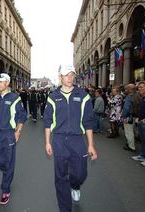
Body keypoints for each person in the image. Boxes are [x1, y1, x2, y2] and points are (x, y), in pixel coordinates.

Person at [43, 65, 97, 212]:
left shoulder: (83, 95)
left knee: (80, 173)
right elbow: (47, 121)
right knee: (60, 176)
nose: (70, 78)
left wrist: (91, 145)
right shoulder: (53, 97)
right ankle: (65, 208)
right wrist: (47, 142)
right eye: (66, 75)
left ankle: (75, 185)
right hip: (59, 140)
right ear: (60, 76)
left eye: (72, 75)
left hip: (77, 140)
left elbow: (88, 121)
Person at [0, 73, 27, 205]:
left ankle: (5, 190)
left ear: (7, 83)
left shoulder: (15, 98)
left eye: (1, 82)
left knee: (9, 162)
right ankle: (7, 170)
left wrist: (18, 131)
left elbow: (22, 116)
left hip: (9, 134)